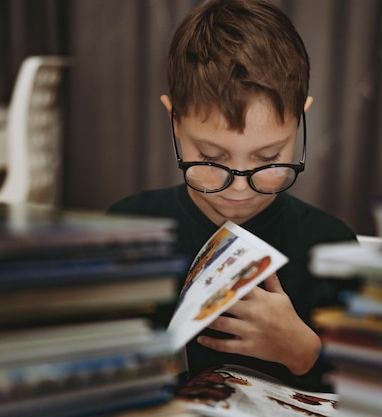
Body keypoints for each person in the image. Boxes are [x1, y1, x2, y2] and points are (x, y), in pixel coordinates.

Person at [107, 0, 358, 390]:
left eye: (269, 158)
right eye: (210, 157)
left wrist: (305, 352)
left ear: (300, 119)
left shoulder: (332, 249)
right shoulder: (125, 231)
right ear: (174, 122)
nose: (239, 188)